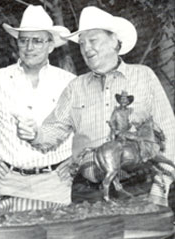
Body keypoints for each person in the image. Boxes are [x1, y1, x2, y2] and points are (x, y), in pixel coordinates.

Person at [17, 6, 175, 207]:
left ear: (114, 41)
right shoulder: (76, 87)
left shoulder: (144, 76)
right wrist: (34, 135)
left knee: (143, 238)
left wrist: (161, 184)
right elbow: (54, 129)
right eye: (82, 44)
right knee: (89, 238)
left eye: (93, 41)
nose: (86, 49)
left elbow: (168, 130)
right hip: (88, 192)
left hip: (139, 188)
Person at [0, 5, 76, 211]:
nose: (29, 47)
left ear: (50, 45)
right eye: (24, 40)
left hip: (55, 183)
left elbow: (88, 127)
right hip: (9, 183)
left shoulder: (69, 82)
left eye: (37, 41)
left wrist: (76, 159)